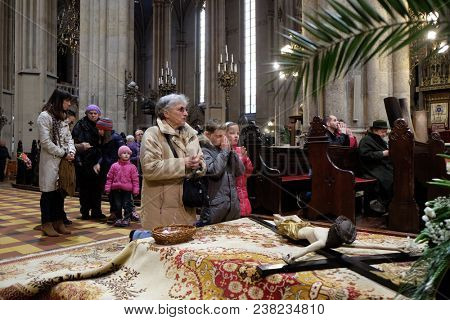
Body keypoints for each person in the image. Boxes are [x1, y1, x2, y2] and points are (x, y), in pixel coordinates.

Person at [138, 94, 206, 230]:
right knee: (160, 248)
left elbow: (202, 162)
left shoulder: (191, 135)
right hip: (160, 207)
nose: (186, 113)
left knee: (183, 247)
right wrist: (184, 163)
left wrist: (198, 165)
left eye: (186, 110)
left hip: (185, 205)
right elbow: (150, 168)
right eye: (181, 109)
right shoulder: (153, 134)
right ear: (166, 113)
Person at [36, 88, 76, 237]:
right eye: (67, 101)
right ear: (59, 101)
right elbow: (45, 142)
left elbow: (69, 139)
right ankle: (46, 224)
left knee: (60, 193)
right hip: (50, 161)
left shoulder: (63, 118)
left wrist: (71, 151)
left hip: (63, 161)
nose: (69, 103)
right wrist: (64, 153)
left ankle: (59, 222)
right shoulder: (44, 116)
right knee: (48, 193)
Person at [199, 120, 245, 225]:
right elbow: (214, 172)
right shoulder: (204, 150)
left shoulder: (225, 149)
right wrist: (225, 152)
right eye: (219, 136)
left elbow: (240, 171)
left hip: (232, 205)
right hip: (214, 207)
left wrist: (231, 152)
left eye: (223, 136)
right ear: (207, 135)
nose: (222, 139)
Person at [273, 214, 357, 263]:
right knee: (294, 217)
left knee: (279, 223)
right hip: (308, 226)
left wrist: (291, 257)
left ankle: (281, 219)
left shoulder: (322, 242)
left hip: (296, 231)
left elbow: (306, 250)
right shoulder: (330, 236)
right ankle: (282, 218)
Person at [71, 104, 103, 220]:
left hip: (97, 160)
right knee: (84, 188)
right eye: (91, 113)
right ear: (87, 114)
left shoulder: (102, 124)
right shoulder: (80, 124)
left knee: (97, 188)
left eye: (95, 113)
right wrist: (78, 161)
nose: (93, 115)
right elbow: (74, 141)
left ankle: (96, 211)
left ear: (99, 114)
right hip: (84, 160)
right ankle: (85, 211)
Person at [358, 120, 393, 213]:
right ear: (375, 130)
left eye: (386, 132)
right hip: (370, 168)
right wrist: (383, 153)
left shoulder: (378, 139)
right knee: (388, 178)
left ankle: (387, 204)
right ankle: (379, 204)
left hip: (379, 165)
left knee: (394, 173)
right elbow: (365, 155)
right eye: (383, 132)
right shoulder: (366, 140)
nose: (384, 134)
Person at [105, 146, 139, 227]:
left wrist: (136, 190)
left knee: (127, 205)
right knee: (117, 205)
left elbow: (135, 180)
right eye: (124, 153)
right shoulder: (114, 166)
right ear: (120, 155)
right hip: (116, 189)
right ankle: (118, 218)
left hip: (127, 190)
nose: (126, 155)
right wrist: (107, 188)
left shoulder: (132, 167)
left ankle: (127, 219)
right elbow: (109, 178)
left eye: (128, 153)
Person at [225, 122, 253, 217]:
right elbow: (232, 172)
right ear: (224, 134)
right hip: (231, 196)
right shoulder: (223, 152)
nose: (236, 136)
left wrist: (245, 159)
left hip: (243, 193)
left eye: (237, 133)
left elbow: (248, 173)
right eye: (232, 133)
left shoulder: (240, 150)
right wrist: (241, 160)